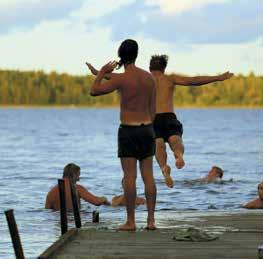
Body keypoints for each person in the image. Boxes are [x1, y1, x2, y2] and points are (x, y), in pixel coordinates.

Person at [88, 39, 157, 231]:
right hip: (147, 129)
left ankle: (131, 222)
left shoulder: (121, 79)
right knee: (149, 177)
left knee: (129, 177)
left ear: (121, 55)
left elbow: (94, 91)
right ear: (136, 54)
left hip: (128, 130)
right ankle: (151, 221)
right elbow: (153, 109)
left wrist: (101, 72)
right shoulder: (149, 78)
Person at [149, 55, 233, 188]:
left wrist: (104, 73)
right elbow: (193, 80)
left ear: (150, 67)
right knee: (175, 139)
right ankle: (179, 155)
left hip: (153, 119)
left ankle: (164, 168)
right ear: (164, 68)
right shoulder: (170, 78)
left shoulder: (144, 79)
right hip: (169, 116)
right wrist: (216, 78)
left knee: (158, 144)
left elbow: (119, 79)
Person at [45, 163, 109, 210]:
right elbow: (96, 202)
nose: (78, 179)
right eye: (78, 176)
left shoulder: (51, 192)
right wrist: (104, 199)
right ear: (74, 175)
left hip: (59, 223)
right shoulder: (76, 188)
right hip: (73, 221)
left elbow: (47, 211)